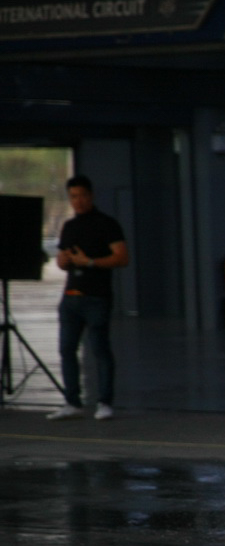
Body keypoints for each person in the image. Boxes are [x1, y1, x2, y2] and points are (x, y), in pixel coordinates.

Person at [48, 175, 128, 421]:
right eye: (73, 197)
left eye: (82, 195)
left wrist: (91, 262)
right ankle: (72, 402)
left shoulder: (107, 224)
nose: (78, 201)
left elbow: (122, 258)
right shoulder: (69, 226)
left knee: (99, 349)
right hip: (70, 297)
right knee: (66, 349)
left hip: (96, 297)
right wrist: (63, 261)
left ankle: (104, 402)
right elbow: (63, 260)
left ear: (91, 195)